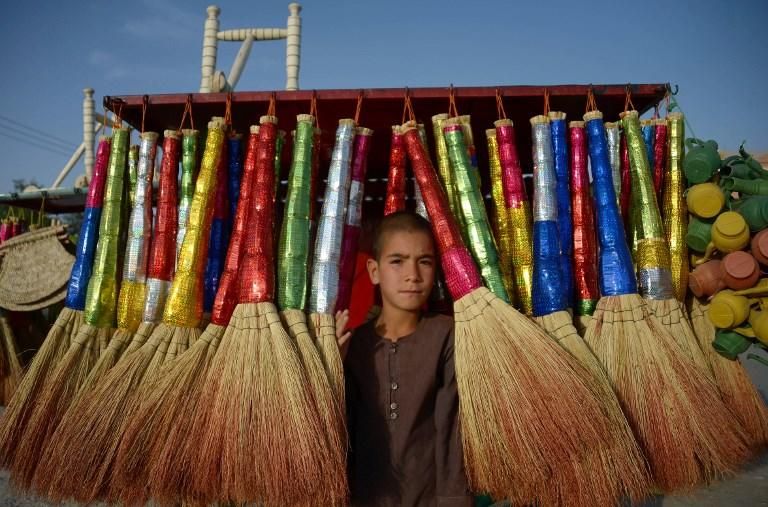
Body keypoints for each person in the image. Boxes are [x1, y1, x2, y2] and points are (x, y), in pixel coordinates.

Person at [336, 211, 473, 507]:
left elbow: (452, 430)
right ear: (374, 270)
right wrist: (330, 366)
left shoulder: (446, 335)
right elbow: (336, 433)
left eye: (424, 261)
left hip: (430, 498)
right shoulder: (354, 343)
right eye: (397, 261)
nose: (412, 274)